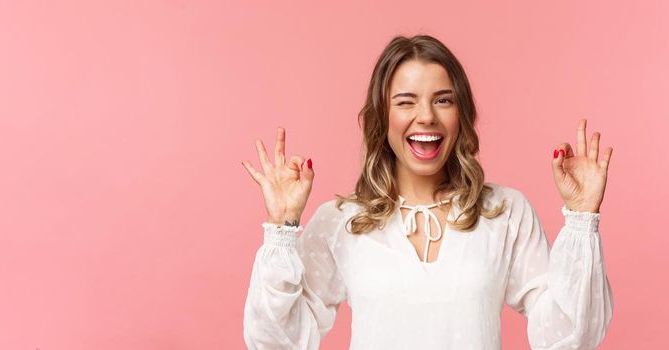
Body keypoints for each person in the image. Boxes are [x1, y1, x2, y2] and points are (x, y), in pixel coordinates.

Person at [240, 35, 614, 349]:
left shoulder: (504, 212)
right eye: (405, 102)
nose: (426, 116)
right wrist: (282, 226)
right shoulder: (341, 222)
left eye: (443, 100)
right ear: (381, 117)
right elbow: (277, 342)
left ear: (461, 114)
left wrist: (582, 216)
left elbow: (568, 339)